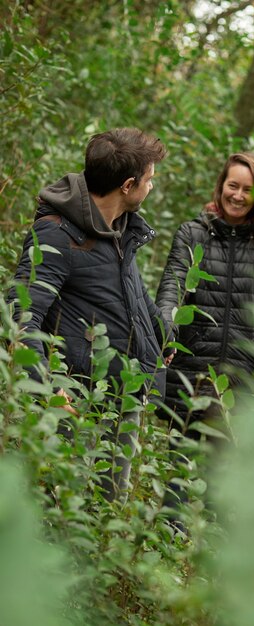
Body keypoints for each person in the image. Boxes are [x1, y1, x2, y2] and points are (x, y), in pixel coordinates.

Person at [9, 127, 174, 501]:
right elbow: (21, 317)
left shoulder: (119, 226)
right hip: (78, 403)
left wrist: (160, 331)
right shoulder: (56, 235)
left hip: (122, 397)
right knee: (61, 510)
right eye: (149, 180)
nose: (152, 186)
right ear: (128, 185)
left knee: (109, 510)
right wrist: (47, 387)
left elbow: (129, 288)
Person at [156, 152, 254, 427]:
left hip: (242, 382)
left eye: (248, 189)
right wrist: (166, 329)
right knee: (183, 465)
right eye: (233, 186)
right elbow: (173, 285)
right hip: (191, 375)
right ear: (221, 186)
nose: (238, 196)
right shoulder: (192, 234)